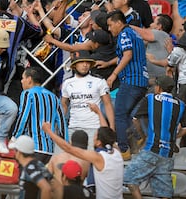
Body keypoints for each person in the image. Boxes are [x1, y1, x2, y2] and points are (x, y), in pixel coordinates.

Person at [124, 75, 186, 199]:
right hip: (167, 155)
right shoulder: (181, 105)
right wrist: (174, 138)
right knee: (164, 193)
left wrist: (144, 136)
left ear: (158, 88)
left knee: (129, 179)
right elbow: (184, 128)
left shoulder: (151, 98)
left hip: (151, 150)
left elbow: (135, 120)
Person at [43, 119, 124, 199]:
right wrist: (98, 112)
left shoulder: (97, 157)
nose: (93, 139)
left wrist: (49, 131)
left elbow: (68, 148)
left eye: (95, 137)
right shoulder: (117, 153)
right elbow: (108, 135)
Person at [106, 10, 148, 160]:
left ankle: (123, 150)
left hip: (131, 80)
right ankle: (138, 138)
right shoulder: (135, 34)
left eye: (110, 25)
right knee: (129, 114)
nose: (109, 29)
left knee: (119, 114)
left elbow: (127, 55)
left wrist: (113, 74)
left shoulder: (124, 34)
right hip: (142, 81)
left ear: (119, 22)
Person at [10, 67, 68, 163]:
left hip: (32, 149)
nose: (21, 81)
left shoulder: (28, 94)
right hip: (49, 151)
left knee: (25, 176)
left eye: (23, 78)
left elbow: (23, 118)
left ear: (29, 80)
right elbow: (62, 123)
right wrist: (65, 146)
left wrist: (14, 137)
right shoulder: (53, 97)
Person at [61, 50, 115, 150]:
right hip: (73, 127)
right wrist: (59, 125)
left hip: (94, 128)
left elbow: (108, 104)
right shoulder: (67, 83)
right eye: (81, 62)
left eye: (87, 62)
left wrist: (111, 128)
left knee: (90, 159)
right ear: (75, 65)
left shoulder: (99, 81)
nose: (85, 65)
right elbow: (64, 104)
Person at [131, 14, 173, 85]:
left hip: (157, 82)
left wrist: (124, 26)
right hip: (152, 80)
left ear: (159, 26)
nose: (150, 24)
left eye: (153, 22)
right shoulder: (157, 39)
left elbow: (141, 32)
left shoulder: (161, 34)